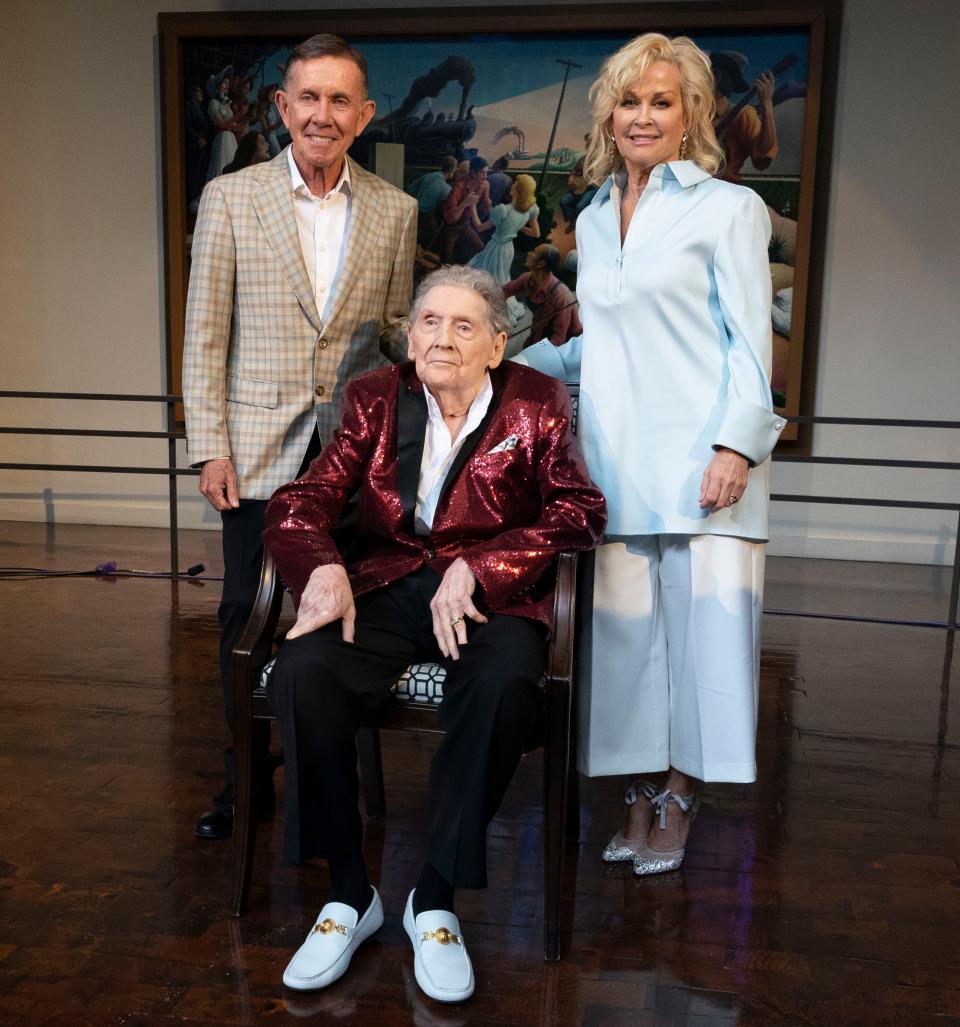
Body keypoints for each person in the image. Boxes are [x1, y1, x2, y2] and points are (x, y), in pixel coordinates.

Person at [262, 266, 606, 1001]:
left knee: (510, 683)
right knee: (302, 672)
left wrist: (485, 564)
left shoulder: (536, 402)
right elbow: (302, 500)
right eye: (428, 321)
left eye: (462, 325)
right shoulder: (374, 398)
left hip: (487, 596)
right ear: (410, 333)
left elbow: (580, 511)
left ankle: (435, 898)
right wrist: (320, 566)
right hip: (386, 584)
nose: (441, 338)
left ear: (496, 344)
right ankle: (350, 896)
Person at [515, 33, 785, 877]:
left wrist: (735, 446)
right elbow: (600, 349)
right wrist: (501, 369)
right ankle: (635, 792)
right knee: (629, 648)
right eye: (629, 101)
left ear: (691, 115)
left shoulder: (728, 210)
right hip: (615, 467)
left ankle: (679, 795)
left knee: (702, 647)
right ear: (609, 114)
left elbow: (752, 343)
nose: (642, 116)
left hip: (708, 466)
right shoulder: (594, 219)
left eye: (661, 102)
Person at [182, 33, 418, 842]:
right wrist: (210, 442)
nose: (323, 114)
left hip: (353, 458)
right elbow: (205, 332)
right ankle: (244, 778)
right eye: (307, 98)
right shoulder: (231, 198)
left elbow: (395, 335)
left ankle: (332, 776)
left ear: (364, 114)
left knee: (346, 617)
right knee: (246, 614)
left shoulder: (397, 210)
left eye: (339, 99)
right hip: (256, 449)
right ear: (282, 108)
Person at [710, 50, 778, 184]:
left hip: (726, 194)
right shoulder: (693, 114)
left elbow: (762, 159)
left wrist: (767, 104)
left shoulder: (743, 115)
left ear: (717, 77)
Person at [466, 173, 540, 285]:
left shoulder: (503, 210)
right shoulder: (531, 209)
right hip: (509, 249)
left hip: (496, 249)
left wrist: (472, 207)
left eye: (515, 183)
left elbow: (479, 227)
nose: (513, 185)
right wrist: (518, 227)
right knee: (499, 281)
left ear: (518, 189)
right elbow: (536, 233)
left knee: (484, 278)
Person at [502, 244, 582, 346]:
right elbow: (504, 292)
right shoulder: (528, 278)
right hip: (541, 331)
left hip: (569, 343)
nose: (529, 253)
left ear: (541, 263)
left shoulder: (561, 296)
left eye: (534, 252)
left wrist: (535, 350)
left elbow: (559, 338)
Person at [439, 156, 491, 262]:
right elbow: (450, 219)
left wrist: (500, 214)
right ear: (472, 173)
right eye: (482, 173)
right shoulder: (457, 189)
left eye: (486, 172)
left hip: (465, 225)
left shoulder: (485, 185)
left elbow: (487, 208)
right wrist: (464, 203)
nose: (485, 176)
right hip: (451, 228)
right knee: (446, 260)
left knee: (481, 249)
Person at [406, 155, 458, 247]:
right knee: (437, 237)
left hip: (413, 210)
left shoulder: (428, 176)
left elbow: (410, 189)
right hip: (427, 214)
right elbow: (449, 203)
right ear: (452, 169)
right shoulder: (445, 187)